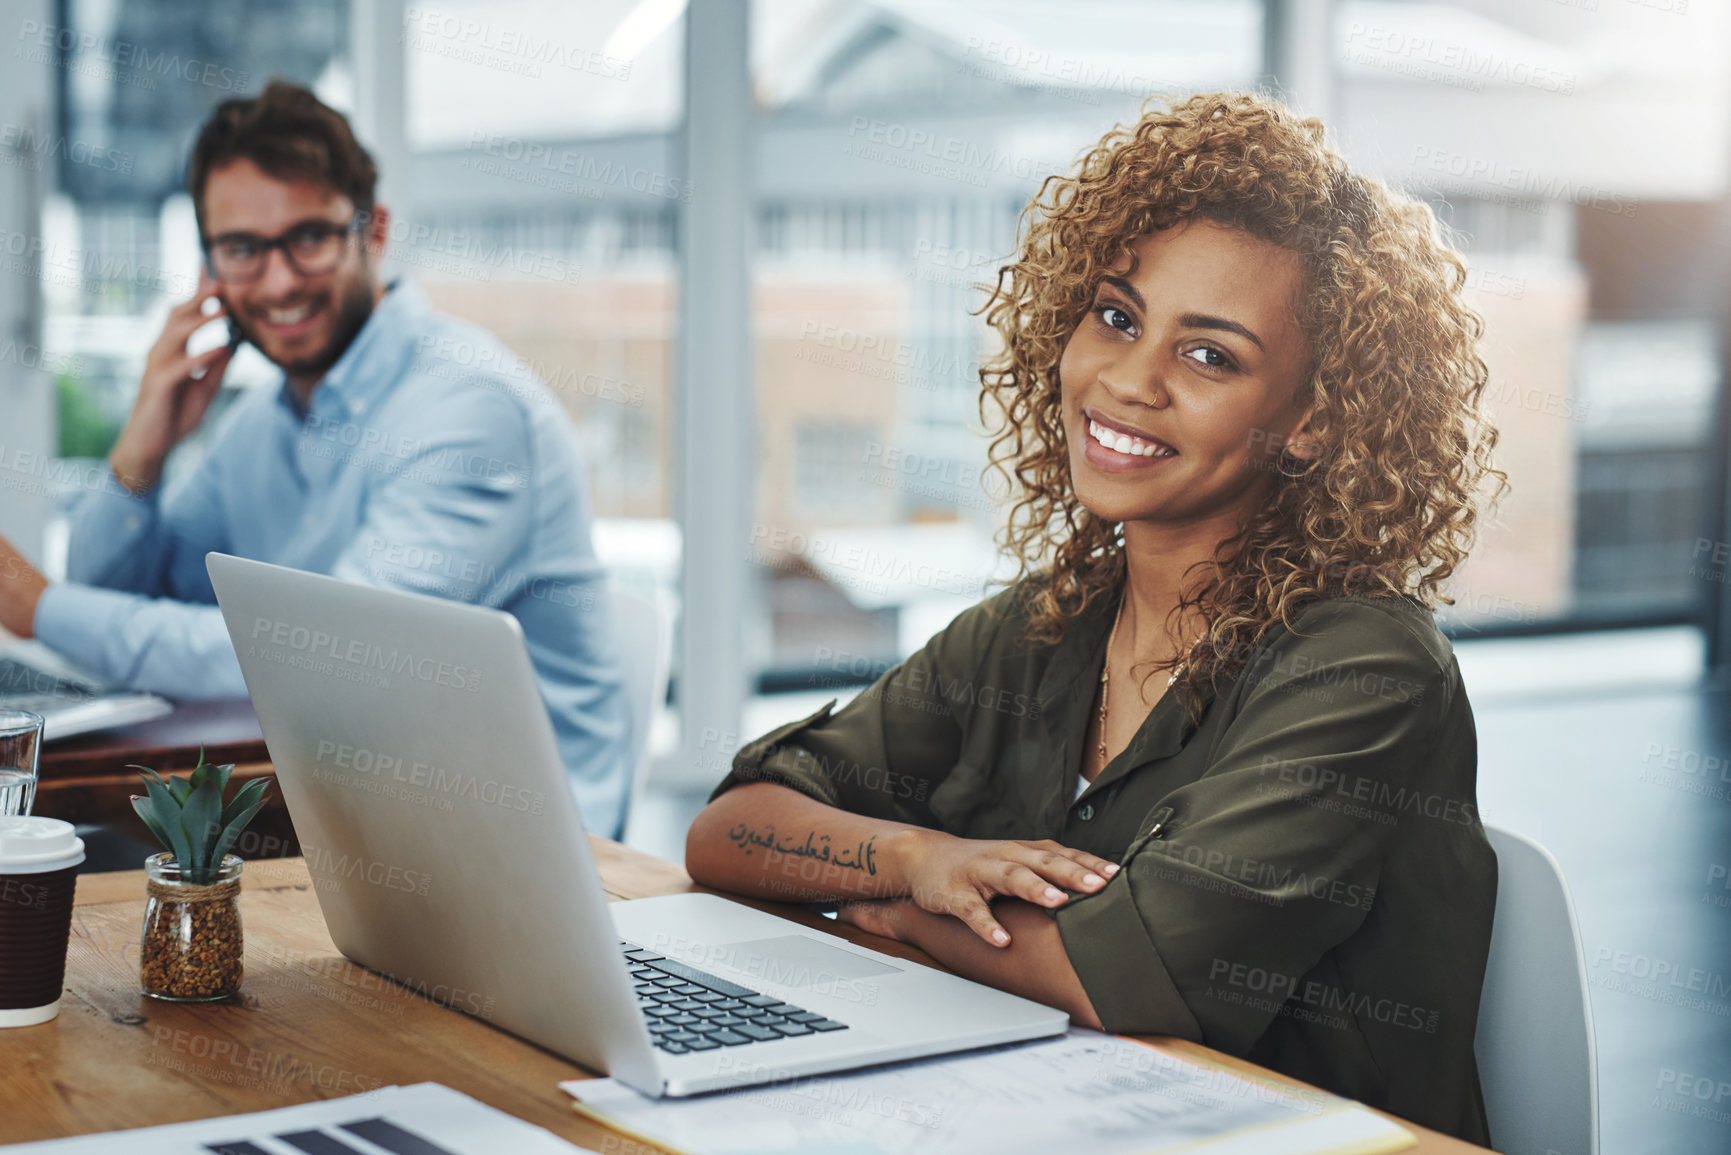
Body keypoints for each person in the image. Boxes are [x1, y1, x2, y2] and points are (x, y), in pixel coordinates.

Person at [686, 92, 1503, 1145]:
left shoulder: (1367, 669)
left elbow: (1113, 977)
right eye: (1117, 317)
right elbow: (734, 830)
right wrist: (912, 864)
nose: (1127, 380)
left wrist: (891, 909)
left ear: (1311, 423)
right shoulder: (1047, 625)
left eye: (1209, 356)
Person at [0, 81, 632, 839]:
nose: (276, 280)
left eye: (308, 237)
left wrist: (41, 608)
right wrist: (143, 448)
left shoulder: (469, 410)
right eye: (242, 249)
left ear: (374, 232)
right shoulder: (268, 420)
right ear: (210, 269)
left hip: (525, 863)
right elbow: (117, 592)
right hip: (356, 829)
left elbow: (328, 669)